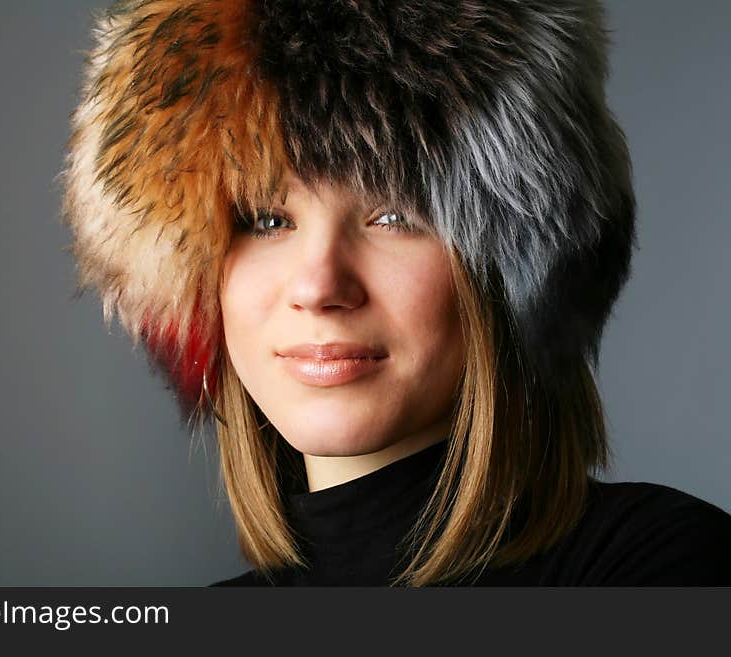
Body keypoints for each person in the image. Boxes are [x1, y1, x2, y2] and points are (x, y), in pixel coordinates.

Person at [61, 0, 731, 585]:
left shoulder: (661, 568)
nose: (319, 286)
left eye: (395, 216)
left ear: (510, 271)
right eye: (266, 219)